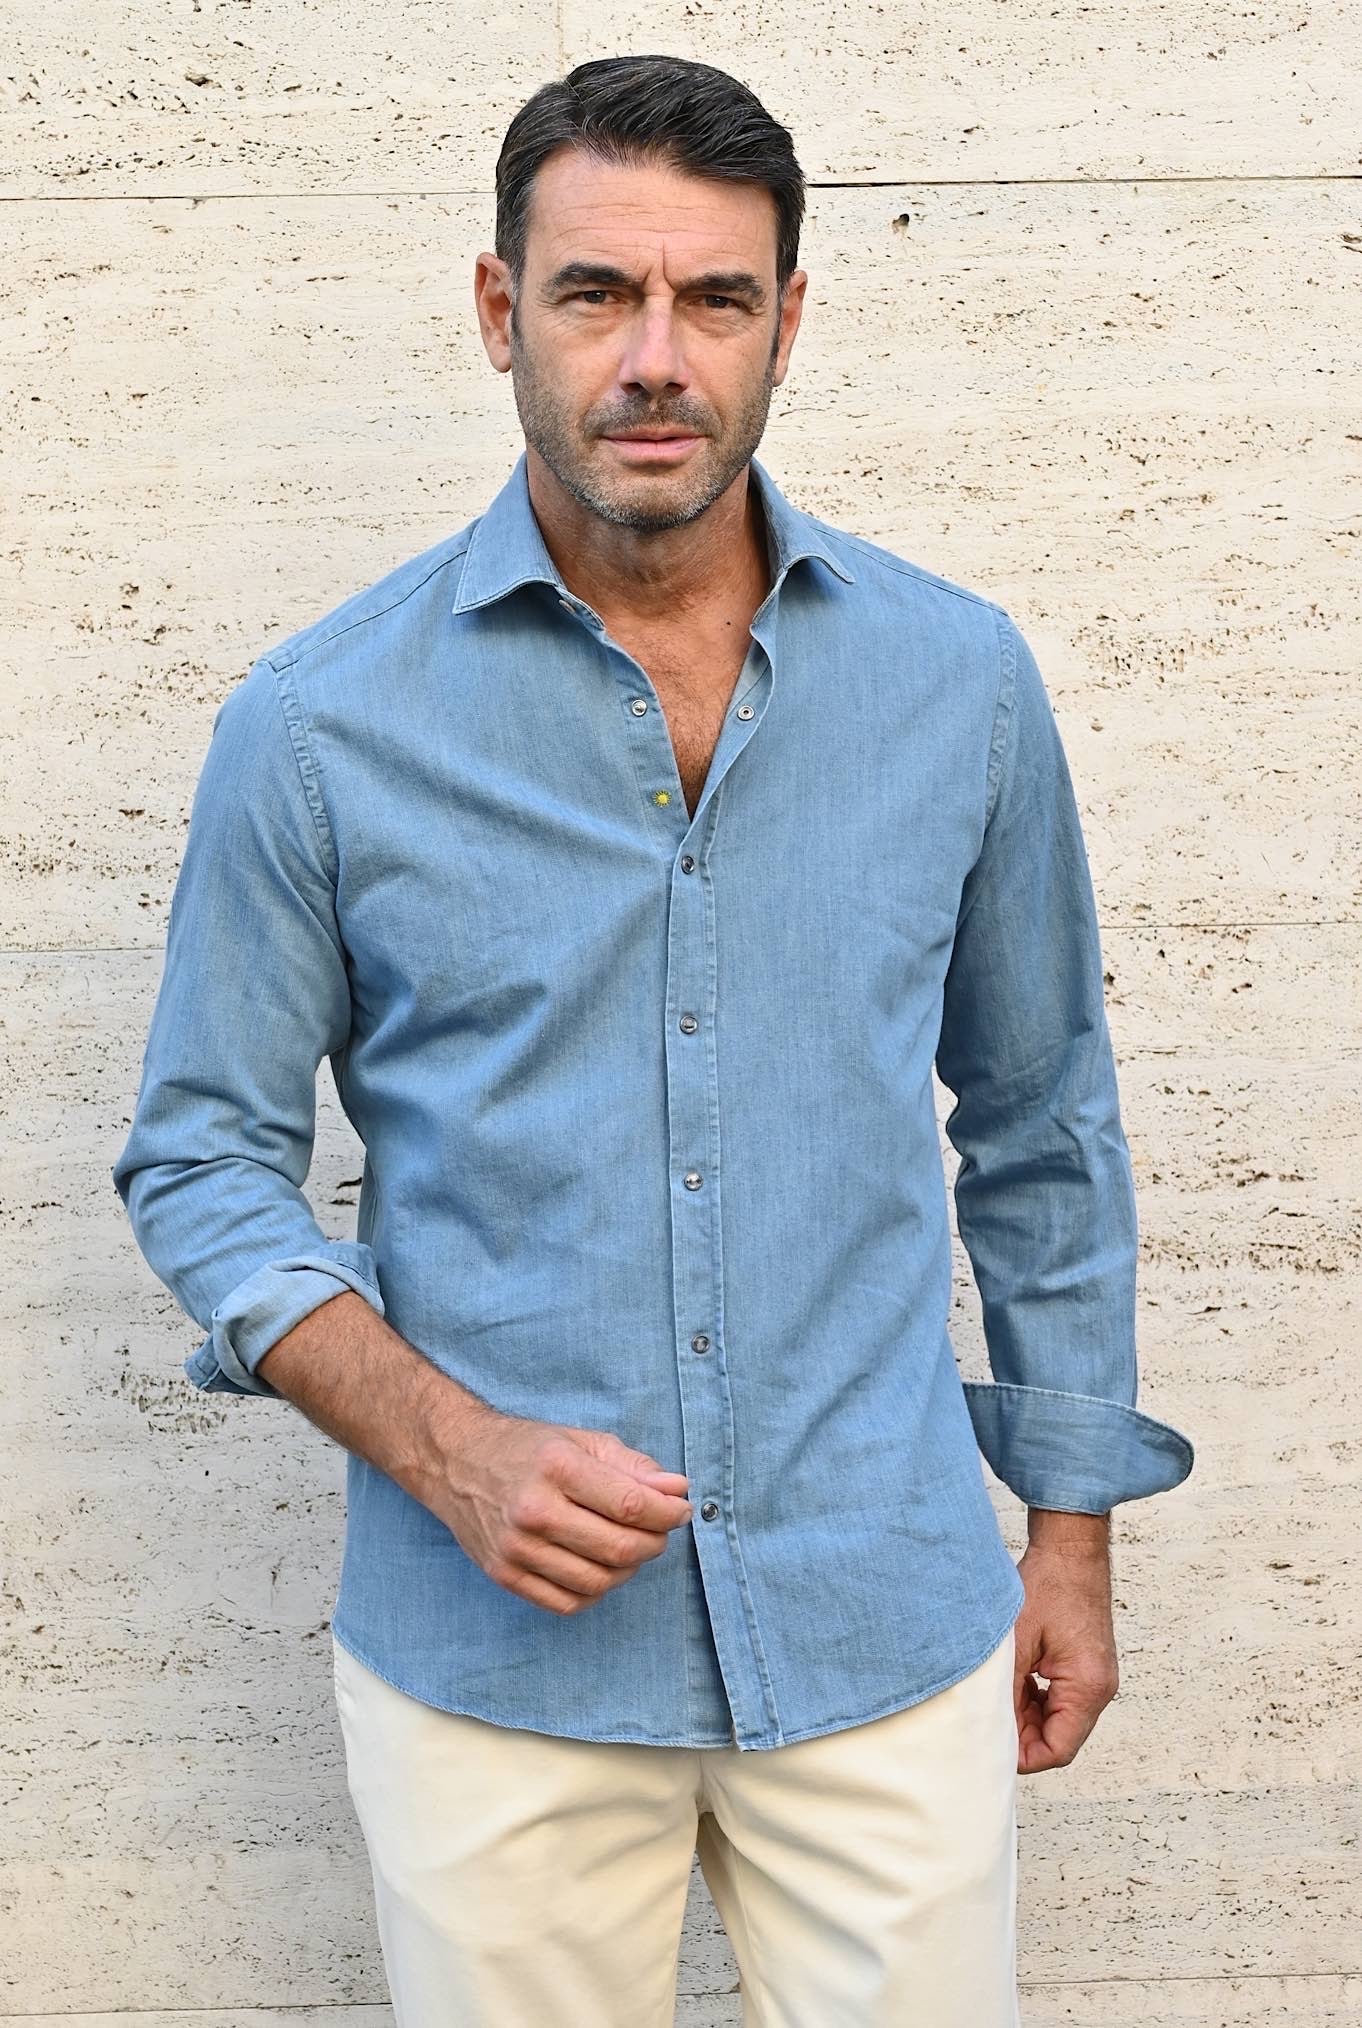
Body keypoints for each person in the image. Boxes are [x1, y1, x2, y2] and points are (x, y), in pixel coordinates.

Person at [112, 51, 1195, 2028]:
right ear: (498, 308)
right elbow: (199, 1158)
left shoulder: (957, 685)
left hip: (885, 1622)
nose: (655, 358)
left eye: (714, 298)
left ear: (788, 320)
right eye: (598, 291)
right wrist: (446, 1448)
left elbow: (1042, 1124)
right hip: (495, 1670)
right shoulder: (319, 726)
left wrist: (1072, 1541)